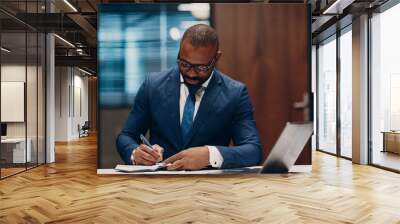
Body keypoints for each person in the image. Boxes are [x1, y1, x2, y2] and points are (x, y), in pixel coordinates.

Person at [116, 24, 261, 170]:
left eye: (201, 67)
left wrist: (210, 155)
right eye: (184, 64)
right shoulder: (153, 86)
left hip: (211, 188)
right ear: (179, 53)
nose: (191, 74)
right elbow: (126, 136)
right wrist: (135, 153)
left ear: (216, 58)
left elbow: (253, 150)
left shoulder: (235, 93)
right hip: (159, 186)